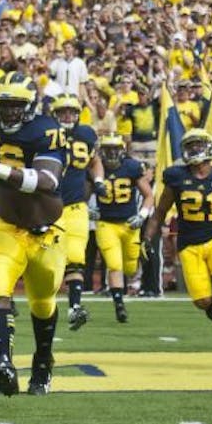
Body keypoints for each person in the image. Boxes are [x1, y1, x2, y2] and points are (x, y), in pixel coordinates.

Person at [0, 72, 66, 396]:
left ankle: (42, 359)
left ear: (31, 106)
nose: (9, 112)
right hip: (3, 219)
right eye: (4, 105)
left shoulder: (46, 130)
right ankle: (4, 364)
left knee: (42, 301)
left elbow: (47, 181)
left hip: (44, 225)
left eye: (16, 105)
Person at [145, 130, 212, 354]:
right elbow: (159, 212)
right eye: (191, 145)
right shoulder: (176, 177)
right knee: (202, 301)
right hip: (189, 244)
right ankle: (210, 305)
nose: (195, 149)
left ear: (208, 147)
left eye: (199, 144)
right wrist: (147, 239)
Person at [49, 94, 101, 330]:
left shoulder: (86, 134)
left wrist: (98, 180)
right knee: (47, 260)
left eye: (71, 111)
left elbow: (94, 161)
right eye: (63, 112)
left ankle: (74, 308)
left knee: (76, 257)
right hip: (49, 205)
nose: (67, 116)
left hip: (76, 207)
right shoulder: (45, 135)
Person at [93, 134, 152, 323]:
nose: (110, 153)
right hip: (106, 223)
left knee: (130, 266)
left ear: (121, 150)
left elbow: (149, 196)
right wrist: (86, 207)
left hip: (129, 224)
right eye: (107, 149)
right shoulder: (94, 166)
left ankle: (126, 288)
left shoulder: (132, 167)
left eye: (114, 149)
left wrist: (142, 215)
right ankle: (119, 304)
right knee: (114, 264)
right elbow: (82, 188)